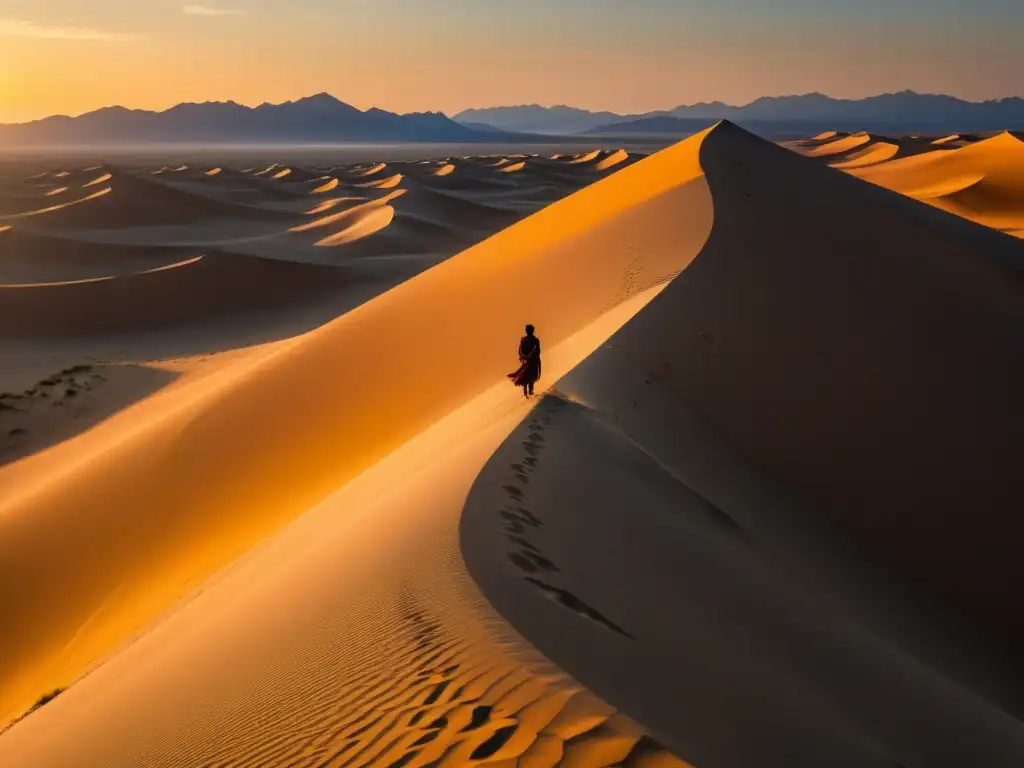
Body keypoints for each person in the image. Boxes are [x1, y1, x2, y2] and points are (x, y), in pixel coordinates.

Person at [508, 324, 542, 398]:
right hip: (529, 362)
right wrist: (525, 356)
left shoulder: (534, 340)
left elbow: (537, 352)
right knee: (527, 380)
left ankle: (529, 396)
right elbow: (521, 351)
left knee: (529, 380)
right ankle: (527, 396)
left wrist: (526, 356)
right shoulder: (526, 340)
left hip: (531, 362)